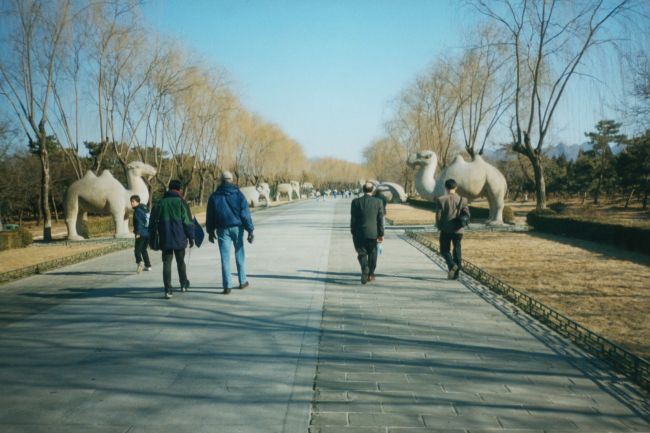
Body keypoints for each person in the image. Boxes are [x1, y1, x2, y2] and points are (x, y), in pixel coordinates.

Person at [206, 171, 254, 295]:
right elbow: (245, 214)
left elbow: (210, 216)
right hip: (237, 228)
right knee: (240, 254)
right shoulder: (238, 195)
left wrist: (210, 232)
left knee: (225, 258)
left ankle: (227, 286)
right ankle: (242, 281)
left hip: (222, 230)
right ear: (232, 180)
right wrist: (250, 230)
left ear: (221, 181)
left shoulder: (214, 196)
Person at [150, 180, 194, 299]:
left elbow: (152, 221)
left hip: (165, 238)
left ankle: (168, 290)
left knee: (166, 263)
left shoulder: (160, 202)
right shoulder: (181, 202)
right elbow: (187, 222)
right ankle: (183, 284)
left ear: (169, 188)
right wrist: (191, 237)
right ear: (179, 189)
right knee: (181, 262)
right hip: (180, 237)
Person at [350, 181, 384, 284]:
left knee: (362, 253)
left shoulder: (355, 202)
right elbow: (380, 220)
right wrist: (381, 234)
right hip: (373, 233)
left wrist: (353, 231)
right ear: (372, 190)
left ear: (363, 190)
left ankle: (365, 268)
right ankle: (371, 274)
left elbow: (353, 219)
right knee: (373, 254)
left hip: (359, 233)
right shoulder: (378, 202)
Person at [436, 178, 470, 280]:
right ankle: (456, 274)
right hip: (459, 229)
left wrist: (439, 226)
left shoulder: (441, 199)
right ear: (456, 187)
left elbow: (438, 216)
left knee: (444, 250)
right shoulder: (463, 200)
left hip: (446, 229)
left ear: (446, 187)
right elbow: (467, 214)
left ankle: (451, 265)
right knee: (457, 250)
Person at [130, 194, 152, 273]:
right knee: (143, 249)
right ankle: (148, 265)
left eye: (133, 201)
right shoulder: (145, 208)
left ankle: (140, 262)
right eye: (131, 202)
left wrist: (138, 233)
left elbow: (138, 222)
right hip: (147, 233)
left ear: (137, 202)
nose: (131, 203)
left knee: (137, 250)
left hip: (141, 233)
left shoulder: (137, 211)